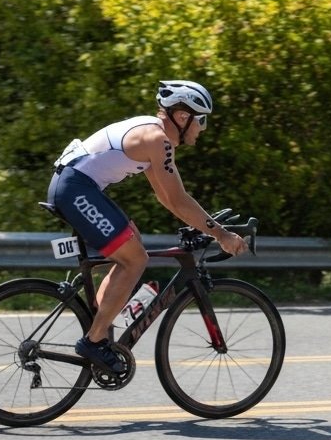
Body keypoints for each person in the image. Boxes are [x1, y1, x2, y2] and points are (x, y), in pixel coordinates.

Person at [47, 79, 248, 374]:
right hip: (76, 189)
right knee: (136, 259)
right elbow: (178, 199)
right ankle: (95, 339)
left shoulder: (153, 135)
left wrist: (205, 226)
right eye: (200, 120)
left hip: (78, 186)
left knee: (133, 245)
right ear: (183, 117)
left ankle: (100, 323)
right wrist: (220, 233)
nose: (202, 128)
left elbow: (168, 199)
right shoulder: (157, 140)